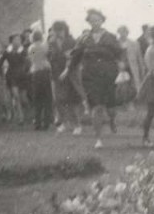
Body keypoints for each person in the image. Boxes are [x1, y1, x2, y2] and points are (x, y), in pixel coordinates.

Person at [63, 9, 122, 149]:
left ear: (102, 20)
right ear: (88, 22)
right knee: (96, 106)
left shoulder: (111, 37)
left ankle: (112, 120)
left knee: (111, 108)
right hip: (90, 76)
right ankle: (99, 139)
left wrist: (122, 67)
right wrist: (67, 69)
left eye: (97, 20)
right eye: (92, 20)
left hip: (109, 75)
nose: (95, 22)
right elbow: (75, 56)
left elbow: (119, 54)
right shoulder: (83, 38)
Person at [48, 21, 82, 135]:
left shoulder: (72, 41)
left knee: (71, 100)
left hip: (69, 74)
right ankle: (63, 124)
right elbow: (48, 56)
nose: (58, 33)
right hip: (55, 74)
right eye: (56, 31)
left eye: (60, 30)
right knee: (58, 100)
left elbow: (74, 58)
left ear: (65, 30)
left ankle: (76, 125)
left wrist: (67, 70)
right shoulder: (51, 42)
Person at [0, 33, 29, 124]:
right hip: (12, 75)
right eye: (15, 39)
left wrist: (33, 53)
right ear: (11, 41)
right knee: (16, 96)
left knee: (24, 99)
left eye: (19, 39)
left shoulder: (24, 50)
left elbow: (32, 53)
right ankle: (21, 117)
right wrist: (1, 72)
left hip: (22, 76)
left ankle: (27, 113)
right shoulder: (7, 51)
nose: (17, 41)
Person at [28, 30, 53, 130]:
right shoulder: (44, 46)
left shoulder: (31, 48)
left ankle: (37, 122)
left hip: (35, 72)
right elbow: (47, 55)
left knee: (37, 98)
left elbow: (32, 57)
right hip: (45, 71)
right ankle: (46, 122)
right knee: (47, 98)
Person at [117, 25, 147, 107]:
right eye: (121, 32)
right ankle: (124, 102)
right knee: (122, 85)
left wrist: (142, 68)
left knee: (133, 84)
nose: (123, 34)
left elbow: (139, 57)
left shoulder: (134, 43)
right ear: (118, 33)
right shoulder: (116, 43)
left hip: (132, 67)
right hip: (121, 67)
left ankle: (134, 102)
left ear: (127, 33)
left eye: (125, 32)